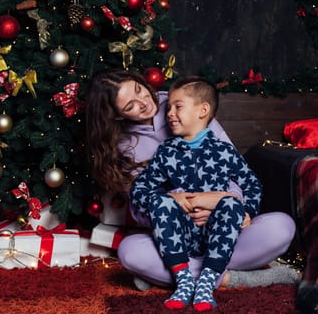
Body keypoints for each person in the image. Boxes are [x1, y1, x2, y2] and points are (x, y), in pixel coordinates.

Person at [84, 68, 298, 294]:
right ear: (117, 115)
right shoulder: (124, 146)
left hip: (223, 226)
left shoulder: (184, 100)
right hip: (175, 237)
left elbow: (235, 172)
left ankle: (165, 275)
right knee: (129, 252)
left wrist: (228, 203)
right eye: (130, 106)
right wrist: (177, 204)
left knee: (282, 227)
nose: (144, 102)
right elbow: (140, 205)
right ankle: (229, 278)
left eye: (140, 90)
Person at [130, 76, 263, 311]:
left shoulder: (224, 151)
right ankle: (182, 280)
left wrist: (248, 211)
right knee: (158, 202)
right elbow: (140, 191)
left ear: (203, 110)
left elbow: (252, 184)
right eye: (168, 107)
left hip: (218, 234)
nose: (169, 113)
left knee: (233, 204)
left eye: (177, 107)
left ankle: (207, 280)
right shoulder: (166, 152)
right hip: (181, 235)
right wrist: (169, 199)